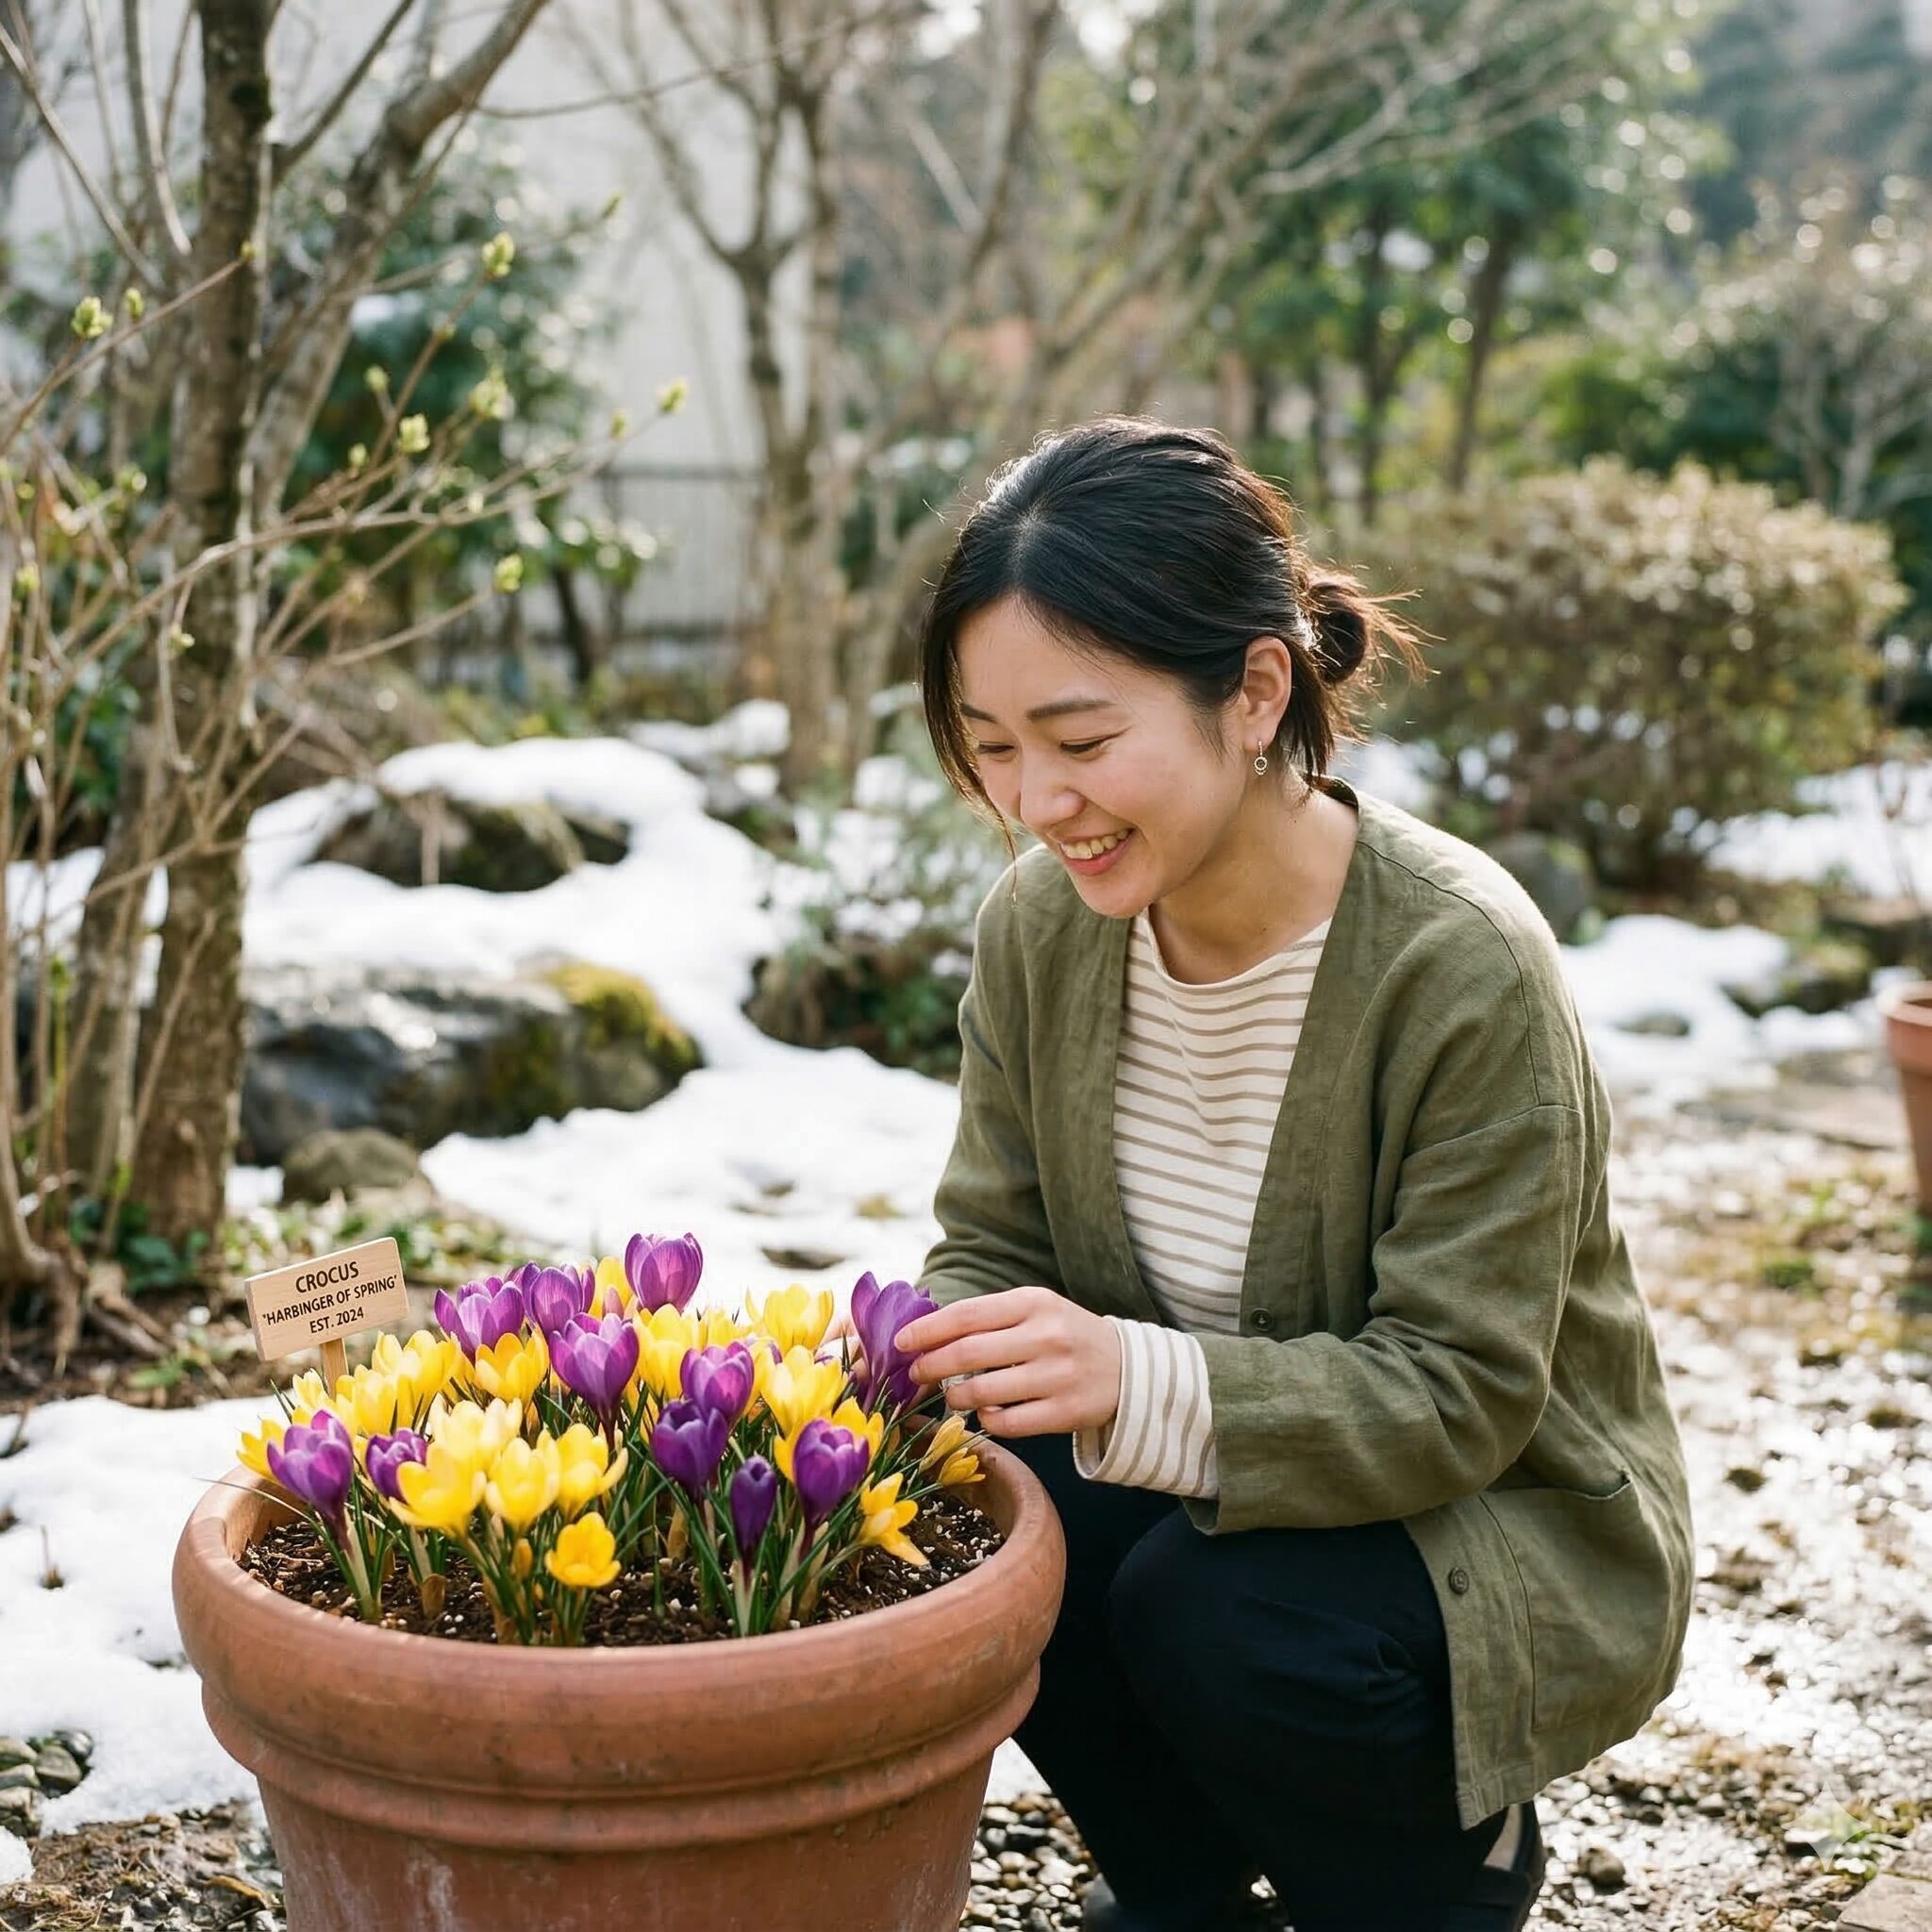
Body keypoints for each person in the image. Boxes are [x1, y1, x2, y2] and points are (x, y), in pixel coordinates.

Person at [884, 418, 1696, 1932]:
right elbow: (992, 1244)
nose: (1037, 802)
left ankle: (1449, 1872)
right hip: (1212, 1506)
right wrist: (943, 1352)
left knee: (1219, 1612)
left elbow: (1461, 1391)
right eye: (992, 747)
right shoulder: (1040, 930)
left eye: (1081, 741)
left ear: (1256, 691)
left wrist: (1128, 1380)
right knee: (995, 1509)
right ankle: (1183, 1888)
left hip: (1480, 1519)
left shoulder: (1457, 963)